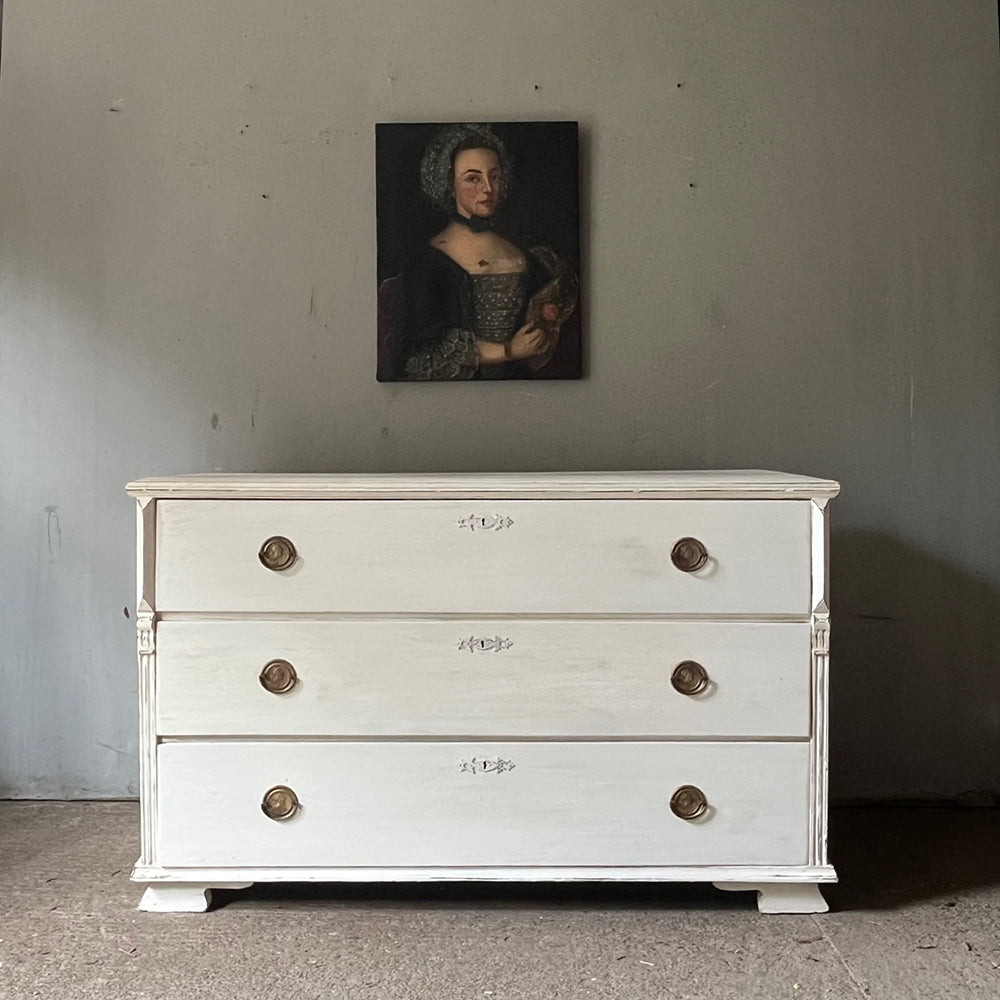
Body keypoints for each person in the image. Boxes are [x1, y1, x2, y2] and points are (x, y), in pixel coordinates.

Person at [387, 124, 577, 381]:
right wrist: (508, 351)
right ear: (449, 183)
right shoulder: (427, 261)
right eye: (473, 178)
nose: (488, 188)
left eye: (494, 176)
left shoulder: (526, 257)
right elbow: (417, 354)